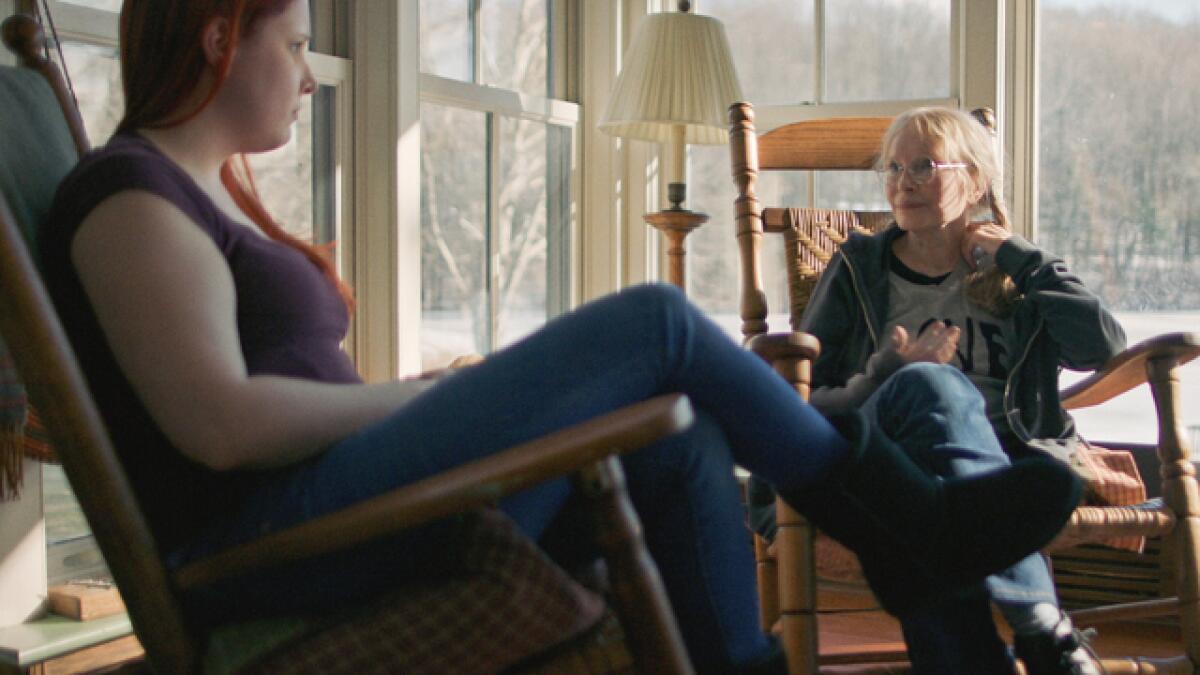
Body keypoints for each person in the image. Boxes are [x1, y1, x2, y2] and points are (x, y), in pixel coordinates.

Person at [39, 3, 1083, 673]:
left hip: (333, 506)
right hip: (272, 550)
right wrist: (423, 400)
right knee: (659, 323)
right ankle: (899, 520)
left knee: (677, 441)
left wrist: (431, 390)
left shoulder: (191, 197)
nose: (309, 73)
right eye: (297, 42)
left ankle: (860, 555)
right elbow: (219, 426)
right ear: (222, 33)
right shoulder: (127, 196)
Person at [747, 106, 1126, 675]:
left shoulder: (1012, 276)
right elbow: (800, 401)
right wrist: (886, 372)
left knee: (928, 524)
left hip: (977, 464)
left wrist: (1020, 258)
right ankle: (1043, 626)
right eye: (895, 168)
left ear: (974, 179)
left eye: (924, 165)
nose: (904, 182)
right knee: (931, 383)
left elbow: (1101, 347)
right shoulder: (858, 268)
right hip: (883, 445)